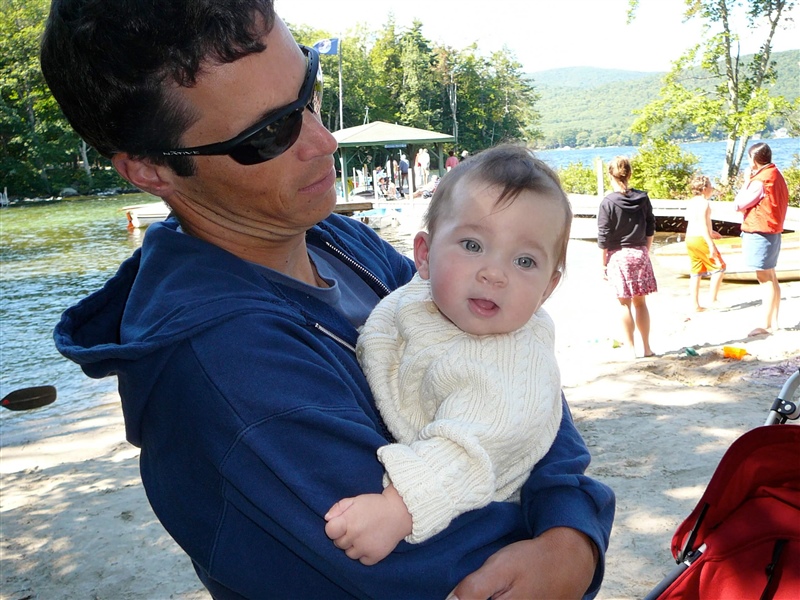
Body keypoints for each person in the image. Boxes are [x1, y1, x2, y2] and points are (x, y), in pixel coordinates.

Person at [42, 1, 613, 598]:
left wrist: (569, 530)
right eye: (267, 134)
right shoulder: (225, 371)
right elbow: (440, 568)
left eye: (307, 91)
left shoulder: (336, 238)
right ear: (151, 170)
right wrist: (568, 538)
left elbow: (515, 373)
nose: (323, 139)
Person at [325, 145, 569, 564]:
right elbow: (386, 330)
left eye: (525, 260)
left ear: (547, 288)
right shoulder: (422, 294)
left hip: (470, 512)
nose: (494, 273)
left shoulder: (513, 366)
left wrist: (399, 508)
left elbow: (469, 452)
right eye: (472, 245)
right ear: (424, 255)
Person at [597, 156, 657, 359]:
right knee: (641, 303)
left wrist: (602, 265)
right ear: (630, 173)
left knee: (624, 304)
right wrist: (645, 250)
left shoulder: (608, 202)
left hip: (618, 256)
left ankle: (631, 349)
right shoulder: (643, 198)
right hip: (640, 253)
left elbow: (603, 237)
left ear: (610, 175)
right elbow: (650, 227)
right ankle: (647, 348)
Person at [734, 142, 789, 336]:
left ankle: (766, 325)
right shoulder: (776, 174)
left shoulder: (759, 181)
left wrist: (746, 181)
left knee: (764, 278)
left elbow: (738, 204)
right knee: (771, 276)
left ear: (753, 160)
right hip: (773, 230)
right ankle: (774, 322)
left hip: (761, 231)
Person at [685, 174, 726, 312]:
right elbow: (702, 223)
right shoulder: (704, 203)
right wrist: (710, 243)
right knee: (719, 267)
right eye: (710, 186)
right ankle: (713, 299)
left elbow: (693, 221)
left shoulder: (691, 202)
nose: (712, 189)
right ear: (704, 189)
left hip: (690, 238)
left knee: (696, 271)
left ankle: (695, 304)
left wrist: (711, 231)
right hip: (700, 238)